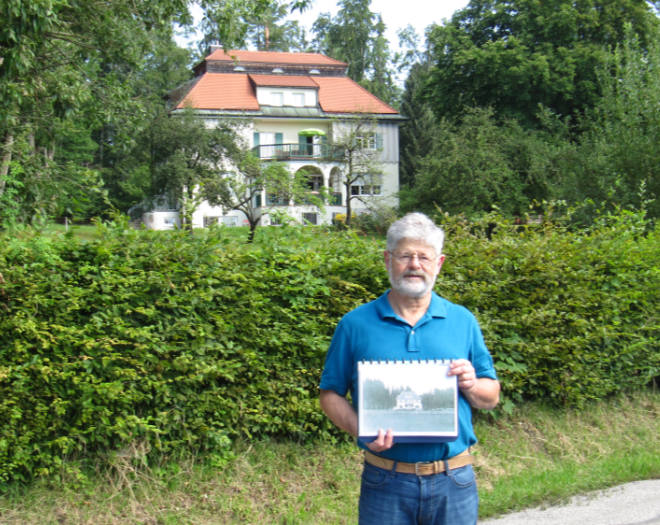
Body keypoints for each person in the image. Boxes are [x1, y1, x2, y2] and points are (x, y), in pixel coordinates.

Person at [319, 212, 500, 525]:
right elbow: (329, 395)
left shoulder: (463, 321)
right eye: (405, 255)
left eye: (424, 257)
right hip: (385, 481)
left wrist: (471, 384)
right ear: (388, 259)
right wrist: (361, 431)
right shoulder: (354, 324)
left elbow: (491, 396)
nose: (415, 264)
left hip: (454, 479)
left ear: (439, 263)